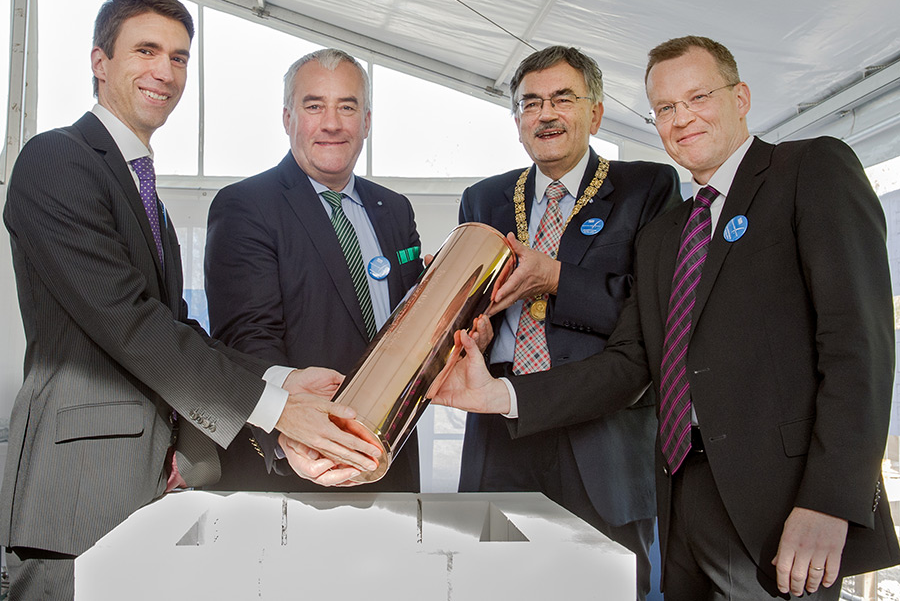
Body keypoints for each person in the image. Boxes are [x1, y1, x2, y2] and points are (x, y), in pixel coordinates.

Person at [436, 35, 900, 600]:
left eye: (698, 97)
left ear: (741, 97)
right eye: (665, 109)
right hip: (681, 496)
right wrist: (501, 396)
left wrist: (831, 501)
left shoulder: (808, 169)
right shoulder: (666, 234)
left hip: (777, 504)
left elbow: (858, 348)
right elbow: (634, 362)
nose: (682, 119)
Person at [0, 0, 379, 600]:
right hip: (77, 486)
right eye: (145, 51)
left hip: (150, 483)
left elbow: (172, 325)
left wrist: (278, 379)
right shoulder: (57, 158)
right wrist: (276, 410)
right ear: (99, 62)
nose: (165, 72)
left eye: (179, 58)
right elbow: (128, 323)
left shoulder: (140, 188)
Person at [456, 45, 681, 600]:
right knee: (495, 584)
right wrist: (475, 333)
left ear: (596, 113)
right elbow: (464, 307)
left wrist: (555, 278)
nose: (546, 114)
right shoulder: (482, 198)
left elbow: (652, 311)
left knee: (602, 586)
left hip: (601, 429)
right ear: (517, 123)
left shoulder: (647, 189)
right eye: (531, 103)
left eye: (562, 98)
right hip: (499, 422)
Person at [205, 48, 424, 491]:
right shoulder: (246, 206)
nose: (332, 123)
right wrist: (294, 436)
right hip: (301, 463)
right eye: (314, 106)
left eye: (347, 107)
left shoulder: (394, 209)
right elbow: (248, 341)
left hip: (393, 452)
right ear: (287, 119)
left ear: (367, 122)